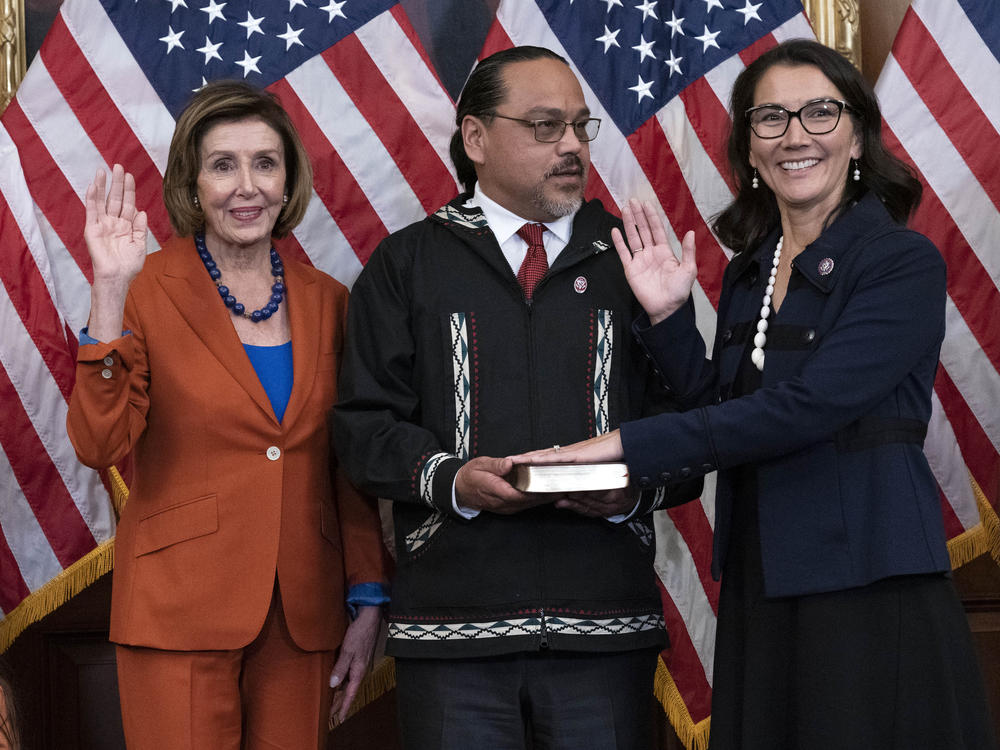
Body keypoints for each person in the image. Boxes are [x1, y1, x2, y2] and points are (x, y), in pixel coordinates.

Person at [514, 39, 997, 750]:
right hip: (760, 578)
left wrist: (624, 448)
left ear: (858, 133)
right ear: (748, 146)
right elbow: (724, 409)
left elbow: (805, 410)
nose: (795, 135)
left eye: (819, 113)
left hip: (865, 580)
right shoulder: (748, 272)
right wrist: (670, 318)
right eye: (770, 117)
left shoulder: (899, 261)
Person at [333, 46, 700, 750]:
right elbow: (364, 429)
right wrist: (455, 481)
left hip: (605, 630)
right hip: (452, 635)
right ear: (475, 138)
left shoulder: (635, 262)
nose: (570, 145)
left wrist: (627, 494)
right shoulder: (407, 263)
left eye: (580, 127)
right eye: (543, 125)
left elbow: (698, 428)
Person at [66, 81, 390, 749]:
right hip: (178, 608)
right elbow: (99, 443)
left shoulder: (329, 301)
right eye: (223, 165)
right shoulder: (142, 288)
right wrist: (106, 292)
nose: (247, 186)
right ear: (191, 182)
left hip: (302, 614)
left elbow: (346, 465)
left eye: (265, 163)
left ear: (288, 178)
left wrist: (368, 595)